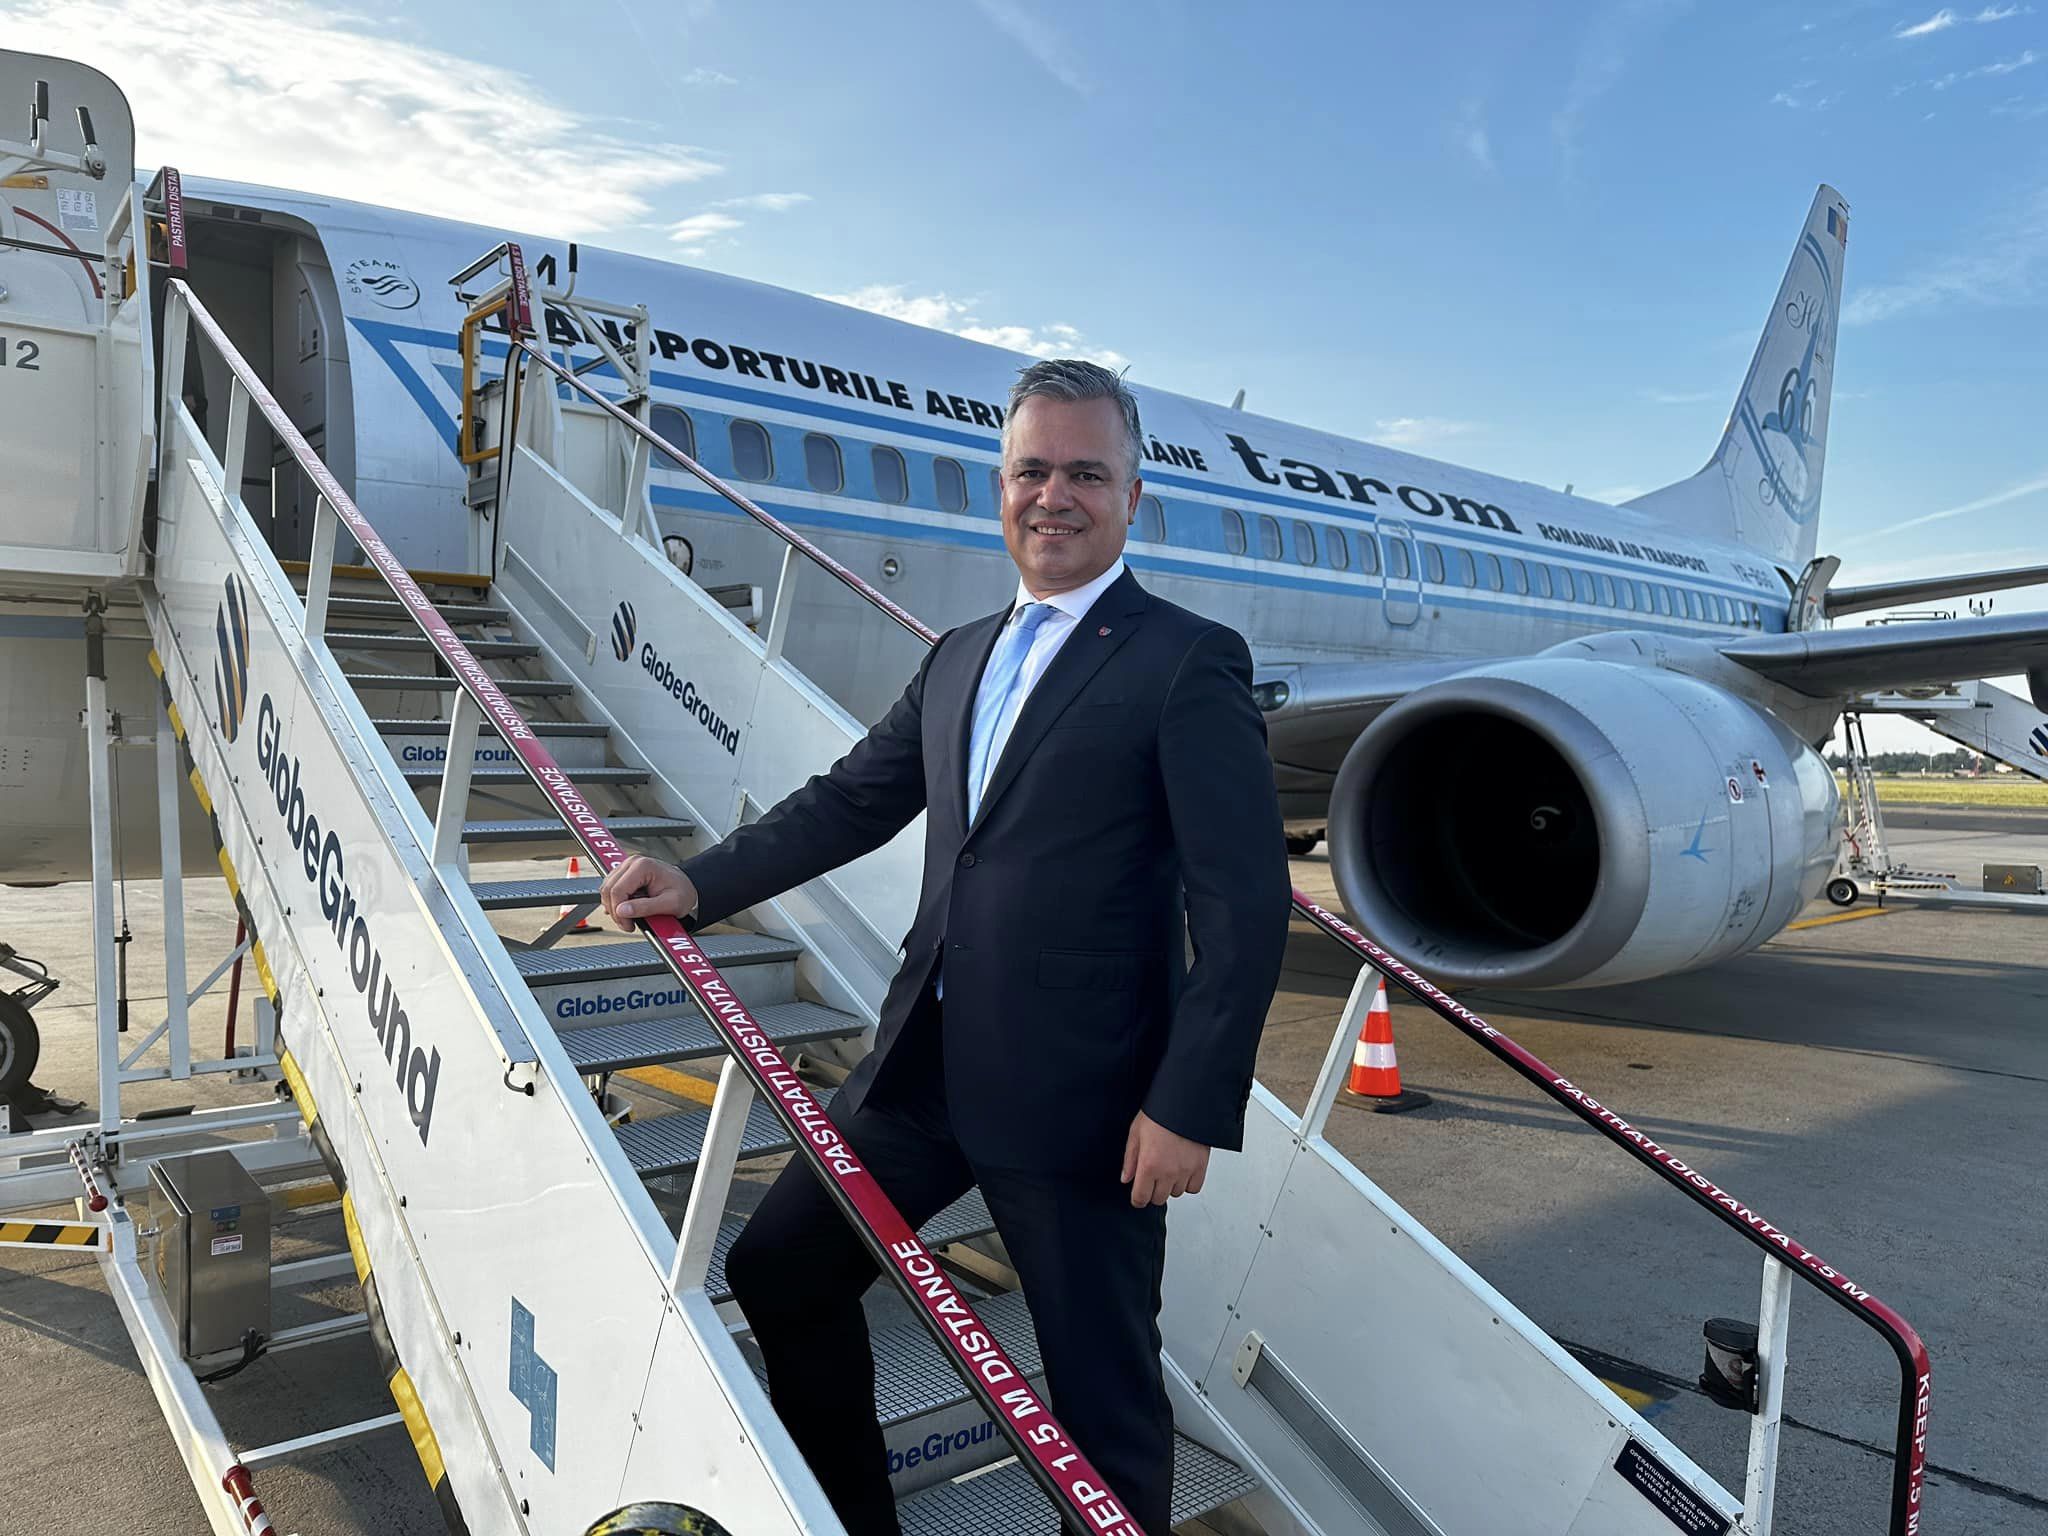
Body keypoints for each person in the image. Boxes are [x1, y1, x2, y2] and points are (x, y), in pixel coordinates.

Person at [600, 359, 1290, 1536]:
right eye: (1031, 470)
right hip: (921, 1072)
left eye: (1085, 472)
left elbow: (1244, 902)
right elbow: (852, 798)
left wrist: (1186, 1104)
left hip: (1087, 1107)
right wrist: (701, 881)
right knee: (781, 1270)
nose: (1053, 496)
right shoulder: (962, 651)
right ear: (1001, 486)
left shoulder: (1184, 659)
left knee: (1100, 1407)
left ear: (1132, 498)